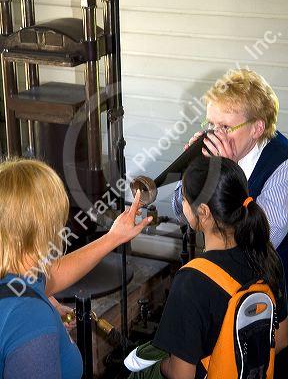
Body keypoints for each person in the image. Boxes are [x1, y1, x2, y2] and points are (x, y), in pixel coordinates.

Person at [0, 158, 152, 379]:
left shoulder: (16, 276)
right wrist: (43, 317)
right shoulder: (32, 320)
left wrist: (113, 237)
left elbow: (49, 278)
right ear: (44, 228)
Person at [152, 156, 288, 379]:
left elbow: (181, 375)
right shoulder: (267, 257)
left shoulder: (192, 279)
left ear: (203, 212)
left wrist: (160, 366)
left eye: (184, 199)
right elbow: (281, 339)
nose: (182, 205)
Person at [172, 69, 288, 283]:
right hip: (221, 277)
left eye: (225, 127)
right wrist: (193, 171)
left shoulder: (282, 166)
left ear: (257, 128)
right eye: (211, 124)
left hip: (267, 292)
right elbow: (181, 213)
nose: (215, 135)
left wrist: (226, 172)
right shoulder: (212, 150)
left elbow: (257, 244)